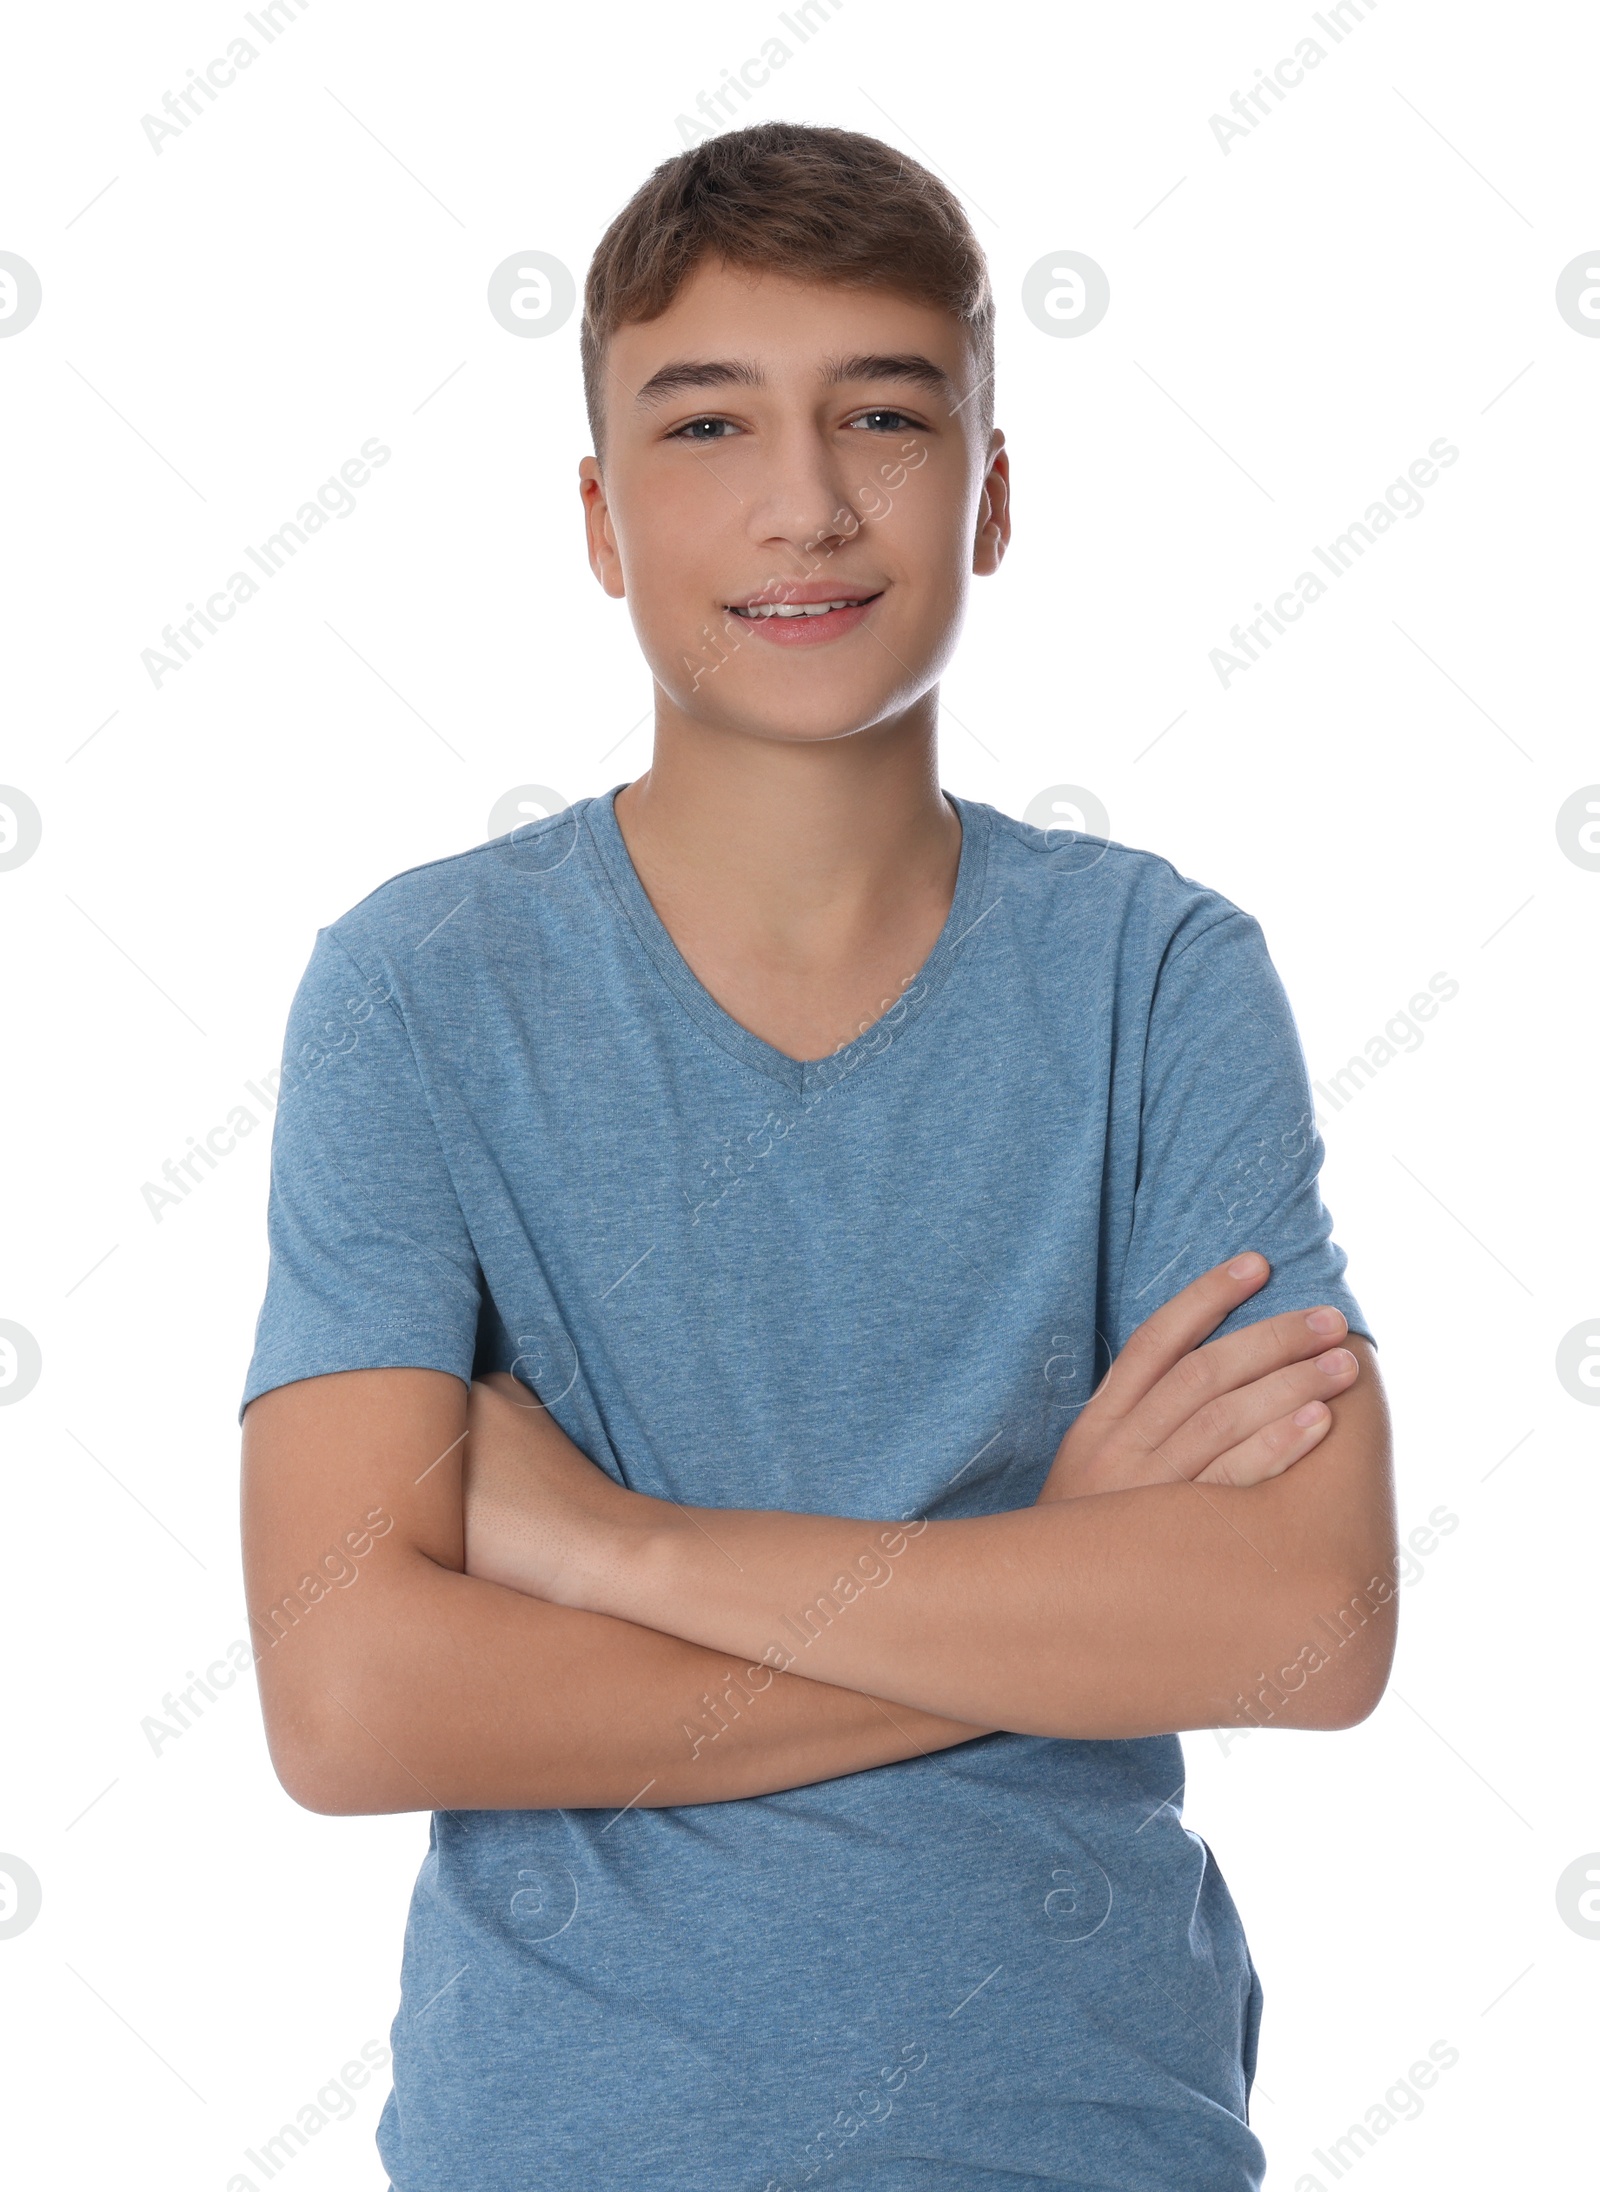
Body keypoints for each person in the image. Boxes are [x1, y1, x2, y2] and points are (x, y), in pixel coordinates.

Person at [239, 120, 1395, 2192]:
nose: (802, 503)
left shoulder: (1156, 975)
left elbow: (1302, 1630)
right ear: (598, 521)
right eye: (706, 425)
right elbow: (349, 1695)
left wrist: (618, 1550)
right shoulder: (418, 989)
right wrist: (1046, 1578)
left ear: (991, 490)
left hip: (1086, 2131)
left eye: (881, 414)